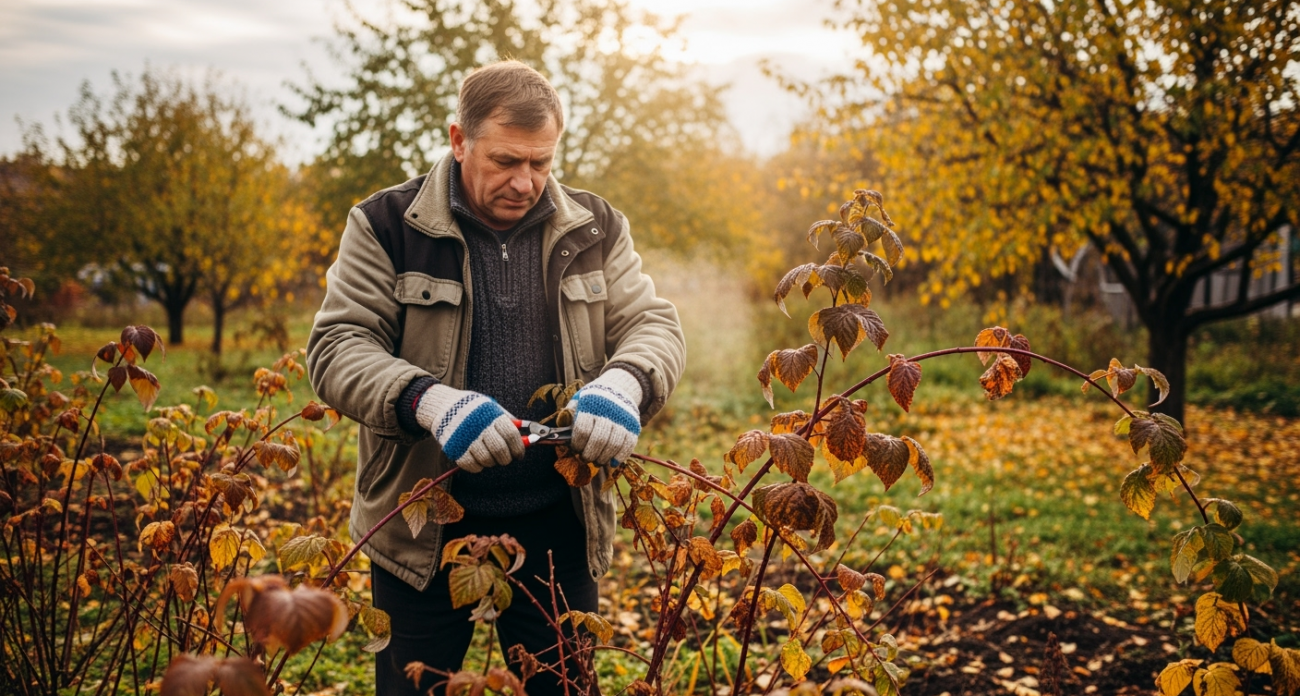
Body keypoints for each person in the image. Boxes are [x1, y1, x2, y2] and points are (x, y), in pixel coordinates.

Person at [306, 60, 685, 695]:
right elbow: (338, 346)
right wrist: (429, 402)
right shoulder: (386, 225)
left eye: (541, 162)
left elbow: (651, 324)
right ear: (459, 140)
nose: (525, 182)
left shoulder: (595, 226)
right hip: (423, 527)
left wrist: (626, 382)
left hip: (558, 525)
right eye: (506, 161)